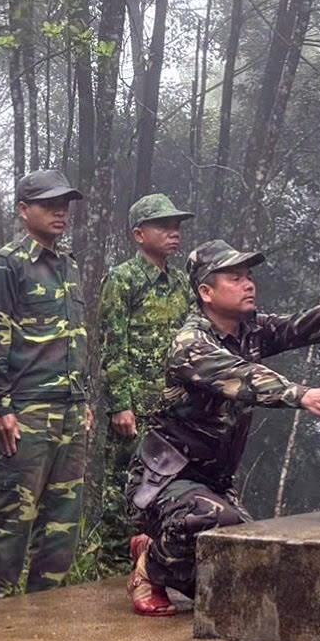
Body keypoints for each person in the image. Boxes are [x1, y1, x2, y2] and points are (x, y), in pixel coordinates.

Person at [126, 240, 320, 603]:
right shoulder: (191, 345)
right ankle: (149, 568)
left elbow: (305, 325)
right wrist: (304, 395)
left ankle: (160, 547)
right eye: (235, 277)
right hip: (166, 482)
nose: (249, 284)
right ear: (206, 292)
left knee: (250, 567)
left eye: (249, 276)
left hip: (214, 485)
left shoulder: (251, 331)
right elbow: (243, 377)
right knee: (209, 520)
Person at [0, 170, 93, 599]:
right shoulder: (6, 266)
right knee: (9, 526)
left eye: (65, 203)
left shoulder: (68, 265)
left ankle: (45, 625)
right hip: (26, 412)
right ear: (24, 210)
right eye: (48, 203)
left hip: (71, 410)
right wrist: (1, 406)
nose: (60, 211)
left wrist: (84, 398)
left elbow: (75, 338)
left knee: (61, 530)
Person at [96, 193, 196, 614]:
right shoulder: (123, 280)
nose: (173, 233)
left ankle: (151, 569)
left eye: (176, 226)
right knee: (125, 492)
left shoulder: (182, 283)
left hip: (173, 410)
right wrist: (121, 405)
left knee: (165, 493)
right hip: (135, 409)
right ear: (140, 235)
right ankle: (107, 577)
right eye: (163, 226)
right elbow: (111, 346)